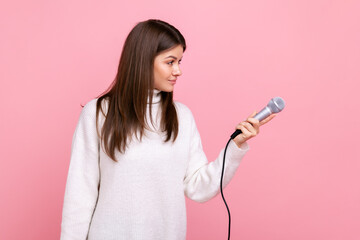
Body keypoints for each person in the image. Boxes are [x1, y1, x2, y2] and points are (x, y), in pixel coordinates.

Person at [60, 19, 275, 240]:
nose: (178, 70)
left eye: (179, 61)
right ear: (143, 60)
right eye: (170, 62)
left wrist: (235, 146)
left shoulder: (182, 117)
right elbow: (80, 195)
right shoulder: (98, 113)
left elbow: (198, 187)